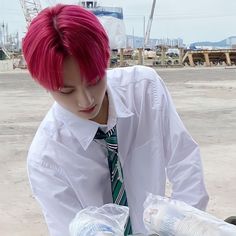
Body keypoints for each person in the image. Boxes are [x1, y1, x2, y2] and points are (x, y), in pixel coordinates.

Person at [23, 4, 209, 236]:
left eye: (93, 80)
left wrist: (183, 227)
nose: (86, 100)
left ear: (106, 60)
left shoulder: (144, 90)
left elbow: (185, 163)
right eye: (66, 91)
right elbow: (68, 229)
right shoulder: (47, 159)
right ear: (43, 84)